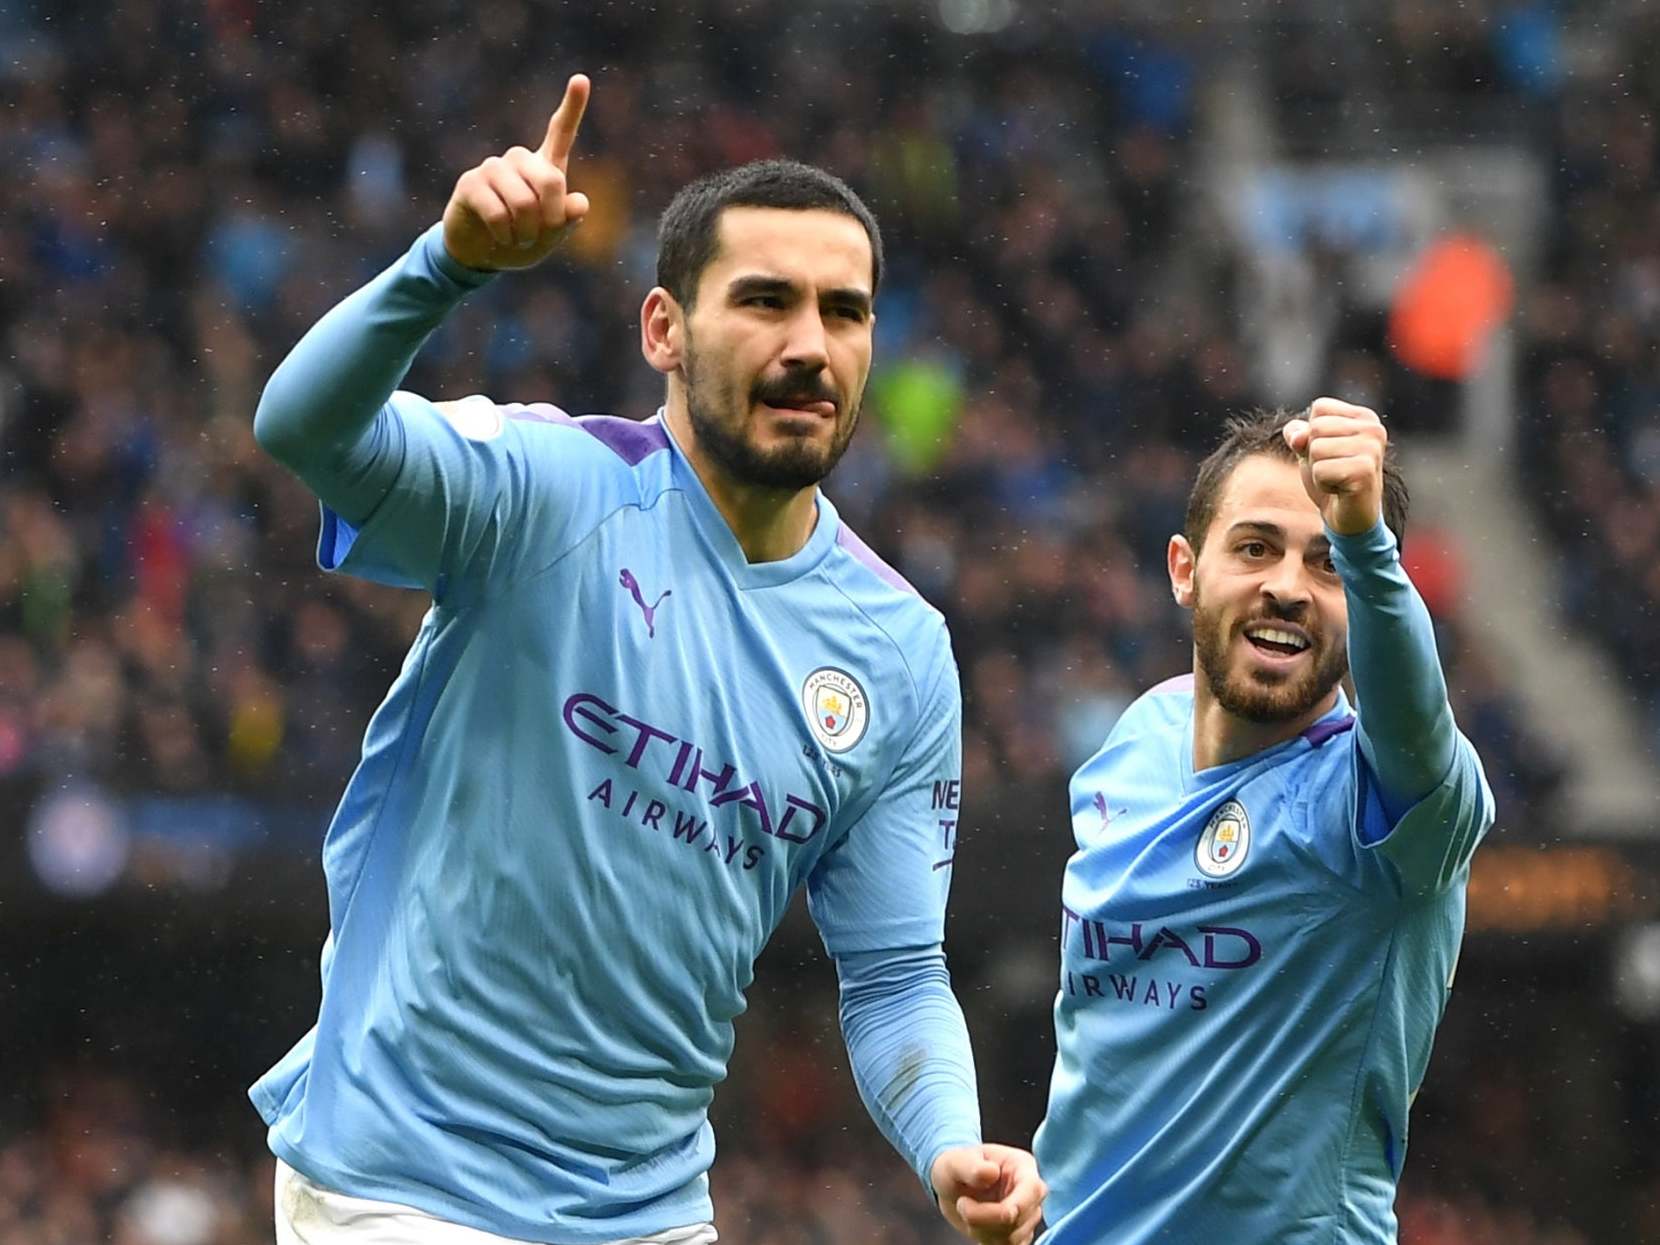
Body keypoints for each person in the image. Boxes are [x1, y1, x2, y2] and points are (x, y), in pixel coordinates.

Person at [250, 74, 1045, 1245]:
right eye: (765, 302)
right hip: (401, 1183)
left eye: (844, 311)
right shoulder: (542, 485)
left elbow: (893, 975)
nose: (808, 346)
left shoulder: (899, 652)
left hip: (650, 1213)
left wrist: (951, 1143)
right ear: (663, 329)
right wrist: (445, 264)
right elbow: (301, 428)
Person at [1034, 400, 1495, 1243]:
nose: (1286, 585)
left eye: (1329, 565)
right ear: (1184, 568)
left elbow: (1417, 730)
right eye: (1255, 547)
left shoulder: (1385, 803)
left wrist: (1367, 542)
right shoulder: (1135, 740)